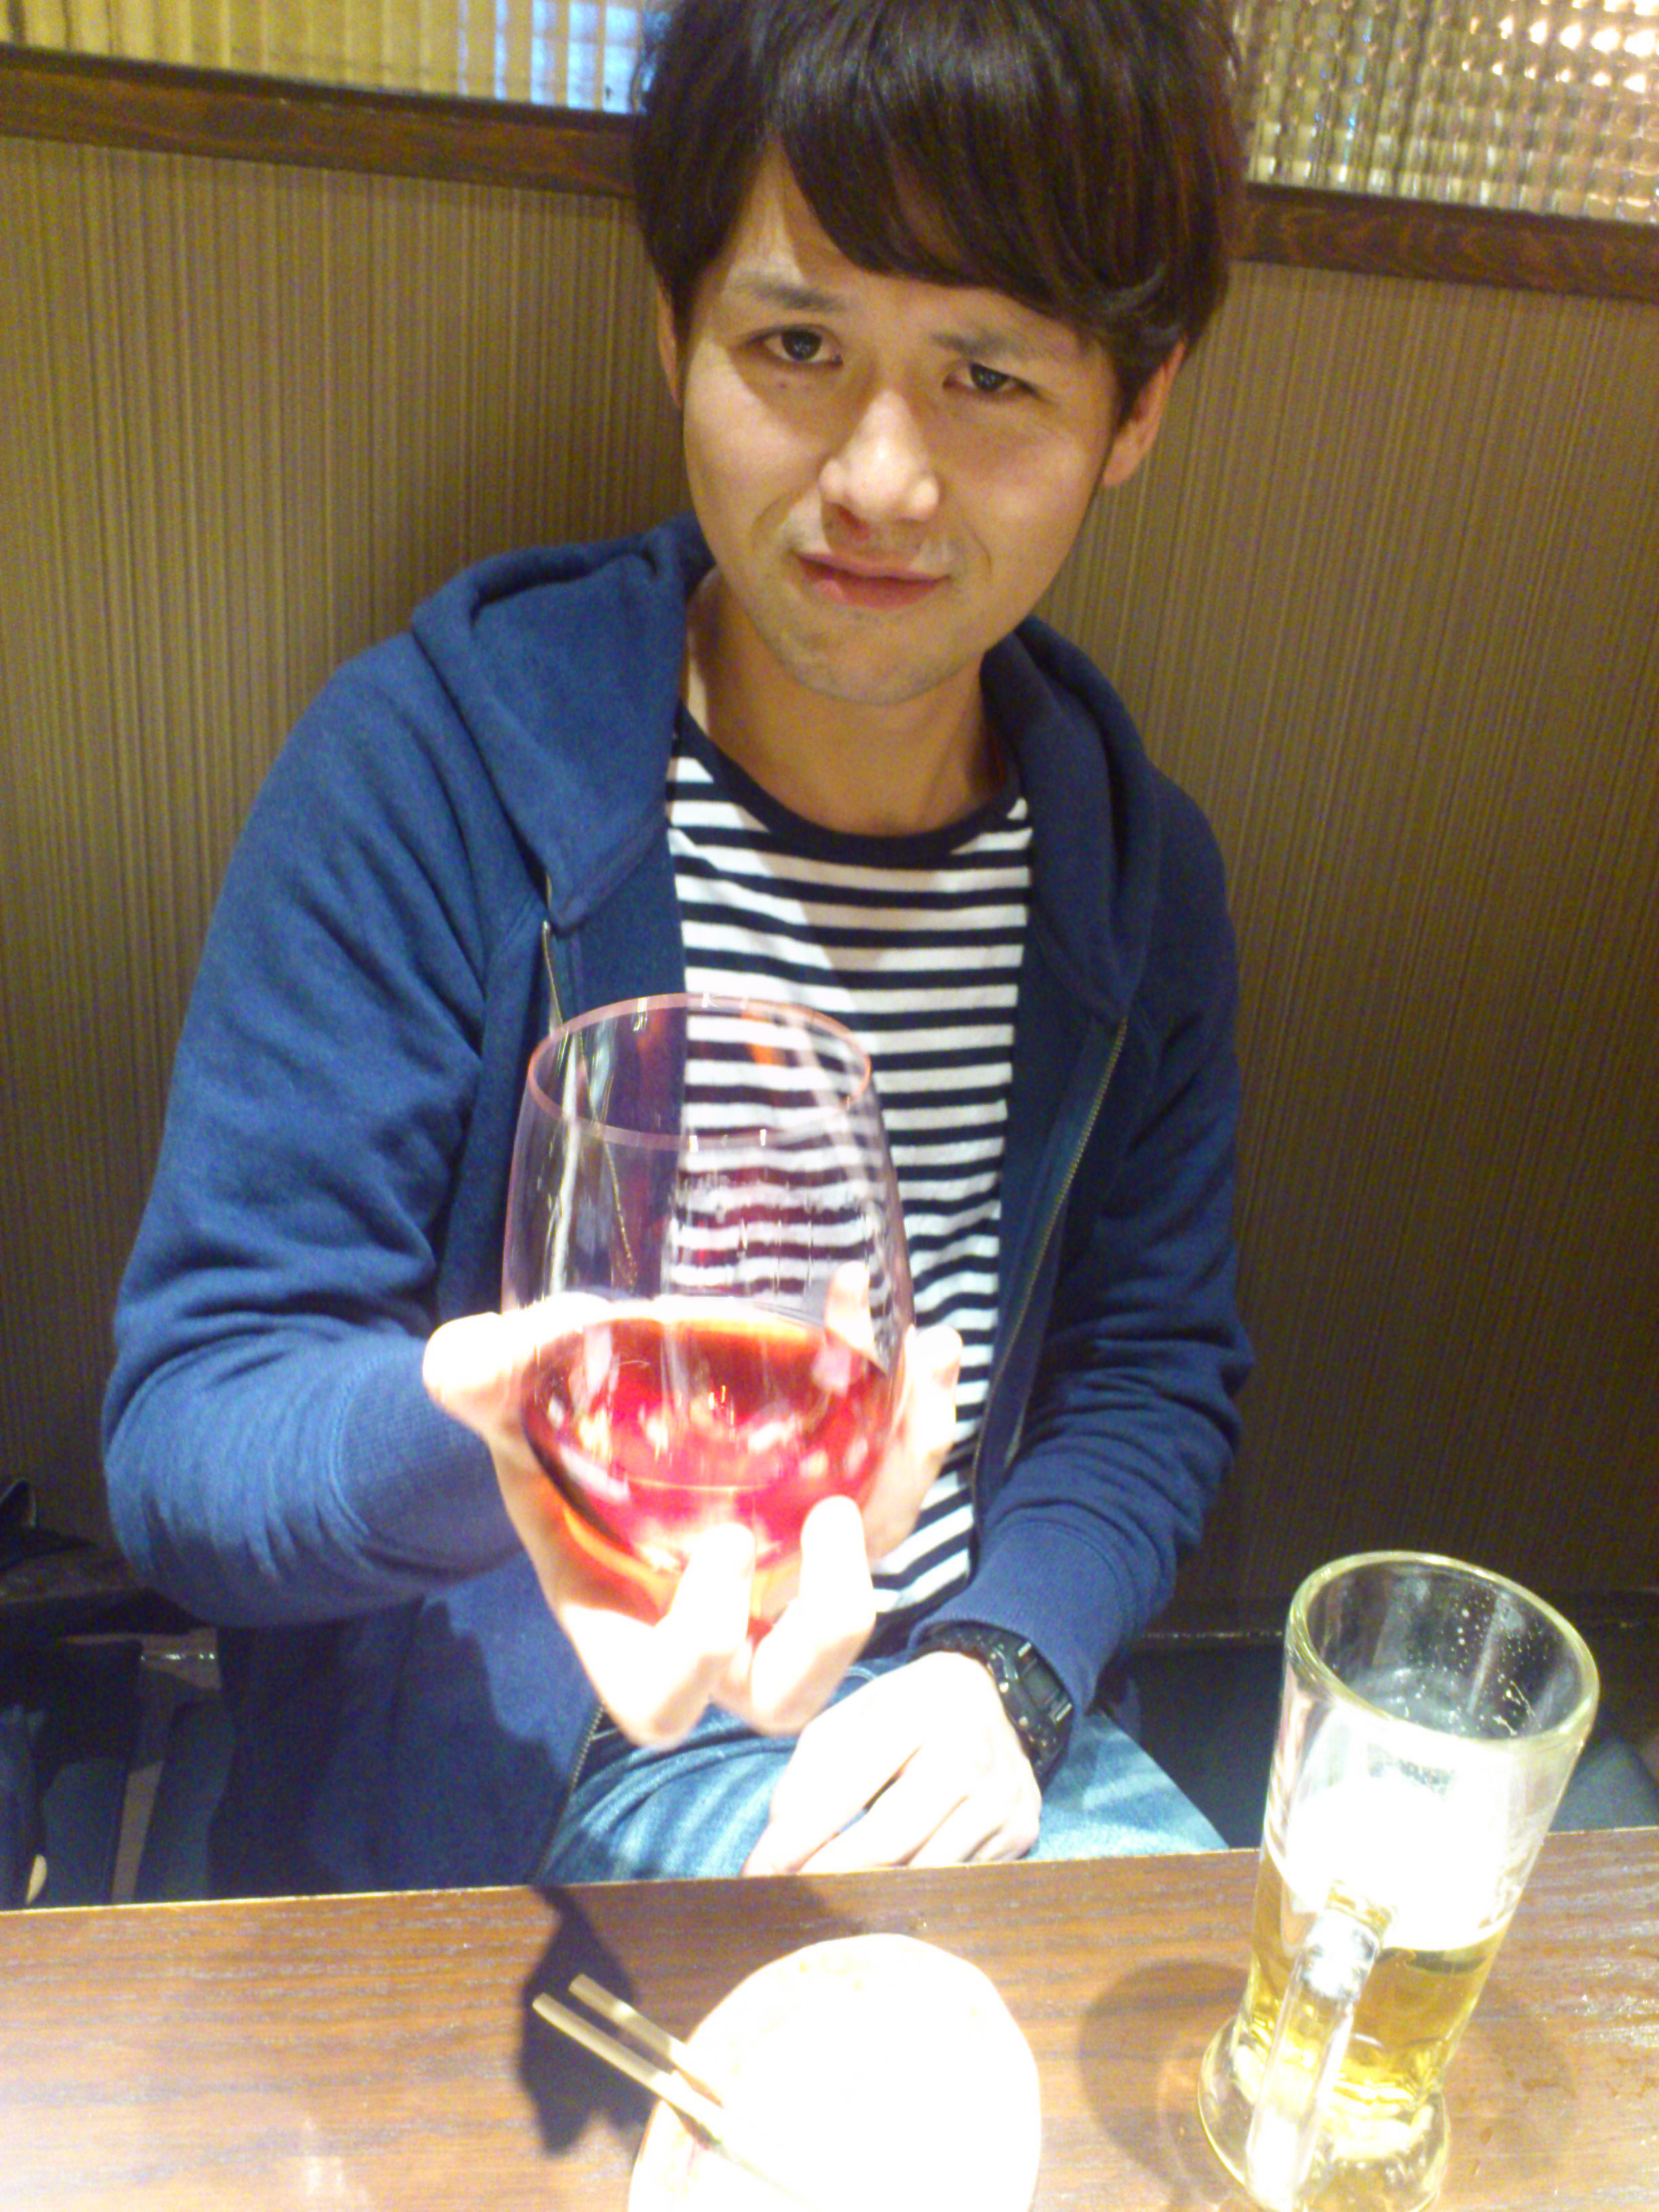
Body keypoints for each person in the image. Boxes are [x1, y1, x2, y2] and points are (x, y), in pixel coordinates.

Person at [103, 0, 1252, 1895]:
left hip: (962, 1736)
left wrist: (1008, 1668)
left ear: (1135, 410)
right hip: (517, 1784)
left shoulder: (1132, 877)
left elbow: (1152, 1370)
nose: (880, 478)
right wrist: (502, 1441)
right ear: (674, 328)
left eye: (988, 376)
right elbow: (190, 1435)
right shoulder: (433, 775)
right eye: (799, 345)